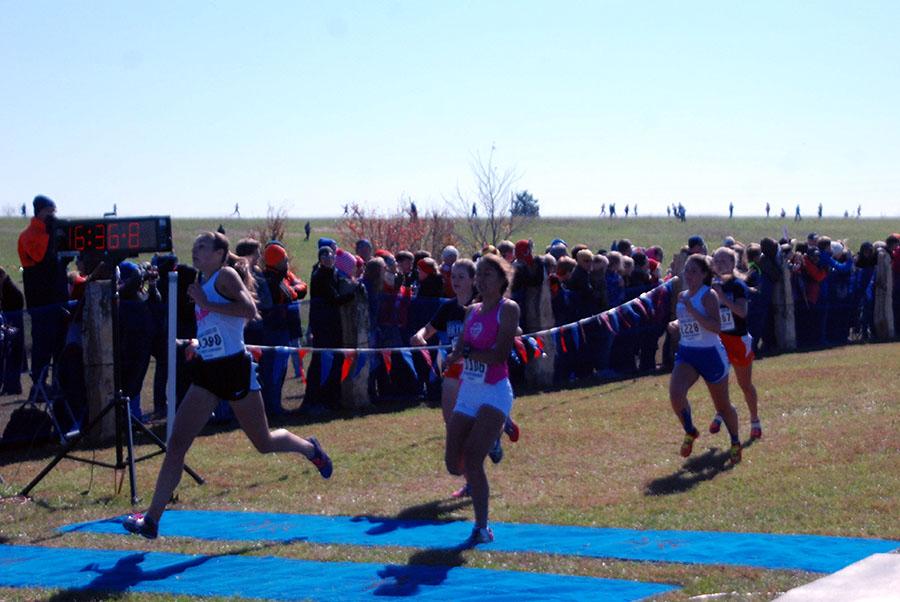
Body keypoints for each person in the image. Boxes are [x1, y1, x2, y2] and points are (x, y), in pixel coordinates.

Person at [122, 232, 332, 540]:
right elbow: (217, 327)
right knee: (177, 444)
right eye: (193, 247)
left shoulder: (225, 275)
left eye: (203, 247)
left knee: (263, 442)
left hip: (234, 369)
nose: (195, 251)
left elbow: (248, 311)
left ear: (221, 253)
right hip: (208, 371)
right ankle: (152, 520)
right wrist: (200, 342)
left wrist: (206, 302)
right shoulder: (201, 282)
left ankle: (310, 449)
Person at [444, 254, 520, 544]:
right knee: (454, 463)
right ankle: (495, 433)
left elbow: (499, 354)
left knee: (474, 459)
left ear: (502, 279)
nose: (482, 280)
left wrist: (466, 355)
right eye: (480, 275)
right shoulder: (471, 311)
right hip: (469, 392)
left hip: (495, 391)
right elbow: (461, 347)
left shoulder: (508, 309)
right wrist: (450, 357)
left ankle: (482, 527)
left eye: (489, 275)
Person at [669, 255, 741, 464]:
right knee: (676, 394)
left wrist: (692, 311)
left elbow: (716, 326)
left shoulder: (708, 295)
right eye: (686, 270)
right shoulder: (682, 296)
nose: (688, 275)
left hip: (710, 354)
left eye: (693, 271)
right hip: (688, 353)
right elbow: (686, 320)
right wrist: (675, 324)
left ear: (704, 274)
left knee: (722, 406)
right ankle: (690, 431)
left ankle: (735, 442)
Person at [708, 247, 761, 440]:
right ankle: (721, 412)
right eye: (717, 261)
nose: (720, 264)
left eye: (724, 261)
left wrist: (722, 297)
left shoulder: (738, 286)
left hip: (738, 340)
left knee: (744, 384)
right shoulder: (709, 286)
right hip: (718, 340)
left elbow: (742, 312)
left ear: (733, 264)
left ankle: (755, 420)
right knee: (718, 382)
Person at [17, 195, 70, 387]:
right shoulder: (27, 236)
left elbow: (62, 260)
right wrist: (51, 235)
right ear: (39, 211)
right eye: (49, 211)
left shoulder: (53, 232)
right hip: (41, 302)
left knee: (60, 346)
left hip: (60, 299)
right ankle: (39, 384)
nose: (53, 216)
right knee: (42, 346)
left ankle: (58, 383)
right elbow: (41, 259)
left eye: (54, 212)